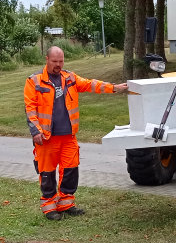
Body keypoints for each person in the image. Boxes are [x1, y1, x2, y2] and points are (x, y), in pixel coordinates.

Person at [23, 46, 127, 220]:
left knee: (70, 171)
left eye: (61, 61)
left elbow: (90, 84)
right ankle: (49, 208)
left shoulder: (69, 78)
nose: (58, 65)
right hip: (47, 138)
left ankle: (66, 204)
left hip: (68, 137)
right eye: (55, 61)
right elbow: (30, 109)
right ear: (47, 59)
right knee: (47, 173)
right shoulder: (34, 81)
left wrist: (114, 88)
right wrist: (36, 132)